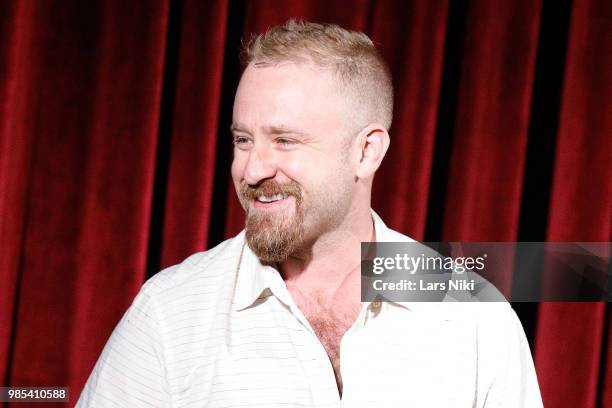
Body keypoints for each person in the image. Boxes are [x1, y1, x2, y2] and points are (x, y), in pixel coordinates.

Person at [76, 19, 543, 407]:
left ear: (366, 152)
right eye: (242, 140)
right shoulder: (169, 312)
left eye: (285, 140)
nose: (252, 169)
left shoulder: (472, 314)